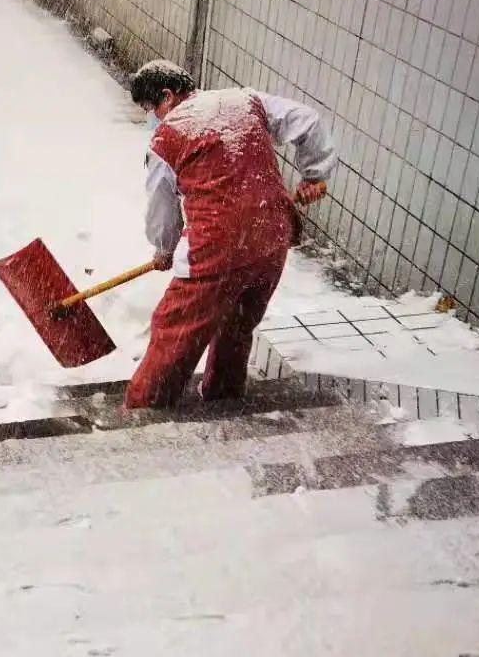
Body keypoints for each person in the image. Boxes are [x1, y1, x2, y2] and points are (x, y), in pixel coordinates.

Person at [125, 59, 336, 410]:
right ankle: (223, 401)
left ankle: (142, 414)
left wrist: (163, 248)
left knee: (175, 332)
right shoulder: (245, 100)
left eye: (150, 109)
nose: (153, 118)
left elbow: (161, 209)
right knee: (236, 326)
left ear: (167, 95)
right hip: (271, 237)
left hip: (217, 248)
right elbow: (307, 120)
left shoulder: (167, 138)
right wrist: (314, 175)